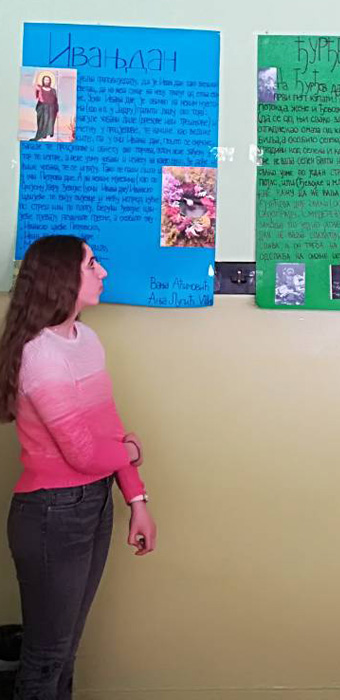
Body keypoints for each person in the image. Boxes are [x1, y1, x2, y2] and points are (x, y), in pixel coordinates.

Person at [0, 235, 157, 699]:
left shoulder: (86, 340)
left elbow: (109, 429)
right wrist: (131, 452)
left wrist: (136, 498)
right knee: (46, 657)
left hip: (95, 503)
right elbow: (84, 453)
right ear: (60, 277)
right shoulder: (39, 354)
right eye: (92, 263)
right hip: (53, 514)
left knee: (66, 651)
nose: (103, 271)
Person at [30, 73, 59, 142]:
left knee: (49, 122)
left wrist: (57, 111)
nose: (46, 81)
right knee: (42, 123)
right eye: (45, 80)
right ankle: (39, 136)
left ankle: (46, 135)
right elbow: (37, 97)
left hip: (51, 109)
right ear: (43, 81)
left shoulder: (53, 90)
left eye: (48, 80)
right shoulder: (39, 88)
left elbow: (55, 101)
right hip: (42, 108)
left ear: (50, 81)